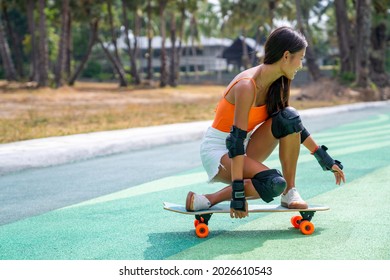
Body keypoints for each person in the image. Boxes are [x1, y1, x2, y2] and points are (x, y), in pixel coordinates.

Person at [185, 26, 345, 219]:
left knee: (288, 116)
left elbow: (293, 126)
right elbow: (235, 142)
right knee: (274, 183)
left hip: (243, 148)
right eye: (300, 58)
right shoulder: (246, 85)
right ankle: (210, 199)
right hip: (219, 152)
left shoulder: (277, 84)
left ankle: (290, 192)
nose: (301, 65)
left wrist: (325, 159)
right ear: (286, 56)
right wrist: (237, 194)